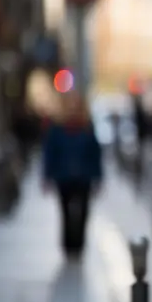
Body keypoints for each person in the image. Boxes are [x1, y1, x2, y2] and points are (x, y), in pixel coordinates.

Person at [42, 91, 103, 255]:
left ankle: (79, 244)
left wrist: (98, 177)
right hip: (64, 177)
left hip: (84, 177)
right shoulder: (57, 129)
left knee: (83, 211)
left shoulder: (87, 127)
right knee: (65, 211)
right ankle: (68, 244)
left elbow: (95, 154)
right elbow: (50, 153)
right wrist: (47, 176)